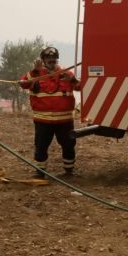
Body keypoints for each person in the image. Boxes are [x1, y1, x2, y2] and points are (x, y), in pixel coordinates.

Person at [19, 46, 79, 179]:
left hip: (65, 121)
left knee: (69, 145)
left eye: (53, 58)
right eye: (48, 58)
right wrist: (35, 71)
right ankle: (40, 172)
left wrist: (73, 81)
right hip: (43, 121)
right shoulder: (35, 74)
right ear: (43, 60)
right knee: (41, 146)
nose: (51, 60)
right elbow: (23, 83)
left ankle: (69, 171)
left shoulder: (67, 74)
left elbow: (81, 87)